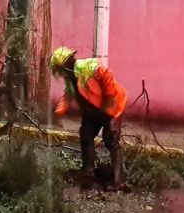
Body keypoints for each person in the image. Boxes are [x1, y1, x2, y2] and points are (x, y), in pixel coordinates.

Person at [50, 46, 128, 191]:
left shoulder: (86, 66)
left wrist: (108, 99)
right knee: (86, 134)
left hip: (112, 103)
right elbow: (68, 95)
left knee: (111, 138)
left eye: (60, 68)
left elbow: (106, 74)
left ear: (66, 63)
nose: (60, 72)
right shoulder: (70, 78)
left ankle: (118, 180)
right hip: (93, 110)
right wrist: (58, 111)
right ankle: (88, 171)